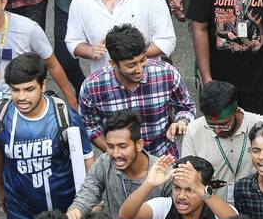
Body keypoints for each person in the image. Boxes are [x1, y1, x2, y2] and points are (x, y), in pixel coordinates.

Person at [0, 52, 93, 219]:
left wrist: (87, 205)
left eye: (29, 89)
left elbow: (87, 162)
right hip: (20, 215)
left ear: (43, 85)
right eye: (15, 90)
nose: (21, 97)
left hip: (63, 213)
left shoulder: (65, 117)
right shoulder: (1, 114)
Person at [78, 24, 196, 159]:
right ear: (113, 64)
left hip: (163, 158)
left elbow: (187, 107)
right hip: (120, 165)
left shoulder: (167, 74)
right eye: (131, 65)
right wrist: (118, 154)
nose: (139, 69)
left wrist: (181, 122)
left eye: (142, 60)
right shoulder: (93, 87)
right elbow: (90, 126)